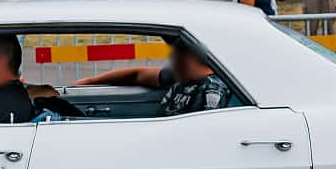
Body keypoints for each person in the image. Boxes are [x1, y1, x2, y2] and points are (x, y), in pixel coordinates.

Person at [73, 38, 233, 115]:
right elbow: (136, 75)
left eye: (176, 54)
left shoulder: (212, 90)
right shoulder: (179, 76)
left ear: (188, 58)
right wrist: (89, 82)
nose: (171, 59)